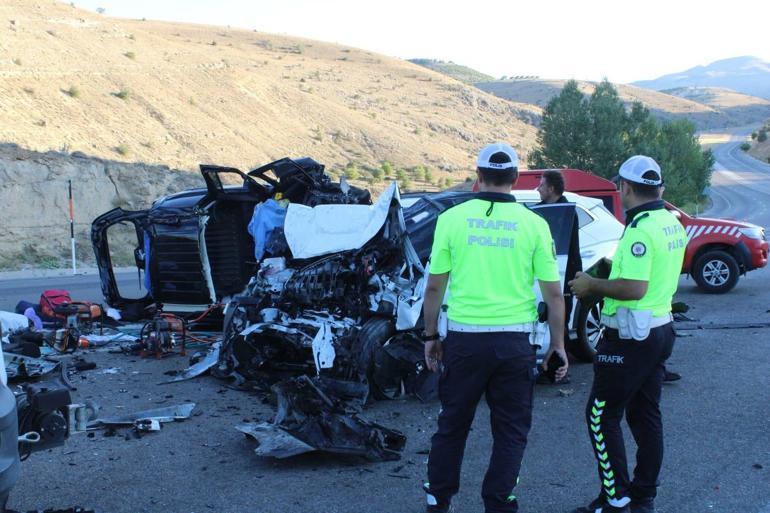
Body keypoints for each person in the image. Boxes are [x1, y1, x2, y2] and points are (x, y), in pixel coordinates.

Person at [421, 142, 569, 513]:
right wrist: (558, 345)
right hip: (514, 344)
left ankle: (438, 501)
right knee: (511, 431)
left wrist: (430, 336)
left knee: (452, 425)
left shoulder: (451, 219)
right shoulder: (536, 224)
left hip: (464, 341)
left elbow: (435, 287)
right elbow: (554, 295)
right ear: (516, 179)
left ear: (478, 177)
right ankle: (500, 503)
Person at [568, 155, 686, 513]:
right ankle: (643, 495)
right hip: (659, 329)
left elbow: (634, 287)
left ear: (626, 188)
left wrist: (593, 284)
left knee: (600, 415)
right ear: (660, 188)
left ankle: (615, 497)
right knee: (645, 414)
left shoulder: (640, 229)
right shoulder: (671, 222)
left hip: (630, 338)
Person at [536, 170, 581, 384]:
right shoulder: (544, 210)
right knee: (546, 322)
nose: (538, 188)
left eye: (542, 185)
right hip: (547, 277)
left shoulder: (565, 212)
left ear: (552, 188)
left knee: (559, 325)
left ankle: (558, 371)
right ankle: (547, 366)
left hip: (563, 277)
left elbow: (571, 251)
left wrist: (573, 280)